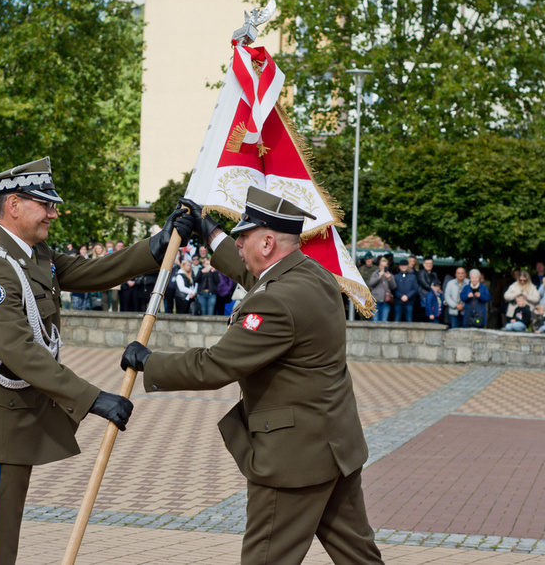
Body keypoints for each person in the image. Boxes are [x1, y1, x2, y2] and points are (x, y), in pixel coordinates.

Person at [0, 156, 193, 564]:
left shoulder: (33, 255)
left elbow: (92, 272)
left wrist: (156, 246)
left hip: (12, 423)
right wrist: (94, 399)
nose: (54, 213)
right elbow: (20, 352)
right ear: (14, 204)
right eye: (45, 204)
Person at [121, 189, 384, 565]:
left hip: (293, 460)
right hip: (334, 446)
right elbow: (253, 273)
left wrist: (150, 361)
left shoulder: (275, 301)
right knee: (359, 557)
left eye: (244, 235)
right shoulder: (314, 276)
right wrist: (208, 231)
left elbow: (215, 365)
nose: (239, 242)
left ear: (268, 241)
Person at [368, 256, 396, 322]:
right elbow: (371, 284)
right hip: (376, 300)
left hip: (386, 300)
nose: (383, 268)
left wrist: (389, 279)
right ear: (379, 266)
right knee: (375, 320)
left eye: (385, 266)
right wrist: (379, 277)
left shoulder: (390, 275)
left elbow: (394, 287)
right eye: (382, 266)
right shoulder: (375, 274)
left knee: (384, 320)